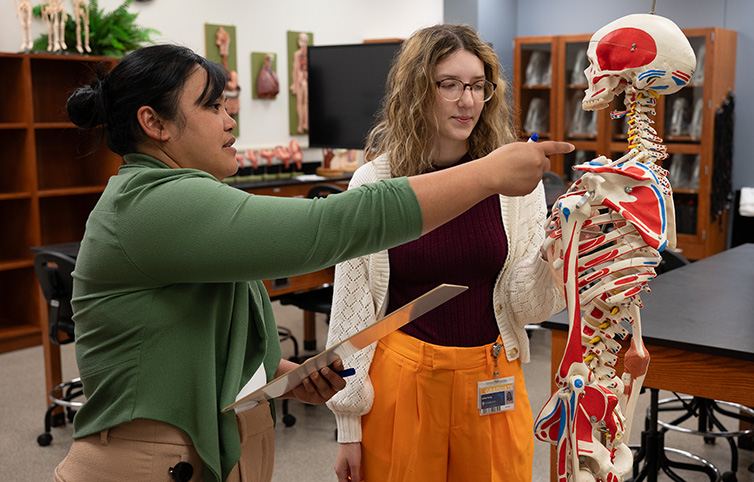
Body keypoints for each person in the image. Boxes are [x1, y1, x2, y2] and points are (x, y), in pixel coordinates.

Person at [53, 44, 571, 482]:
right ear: (154, 123)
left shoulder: (174, 197)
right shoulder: (154, 204)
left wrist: (276, 372)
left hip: (196, 446)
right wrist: (487, 175)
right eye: (213, 107)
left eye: (478, 85)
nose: (231, 120)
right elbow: (331, 228)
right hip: (151, 459)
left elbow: (192, 332)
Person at [326, 24, 569, 482]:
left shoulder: (514, 182)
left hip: (493, 374)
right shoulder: (376, 184)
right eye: (450, 85)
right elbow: (352, 316)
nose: (469, 101)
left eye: (478, 86)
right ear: (418, 90)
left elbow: (530, 305)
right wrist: (348, 427)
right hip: (404, 380)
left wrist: (555, 258)